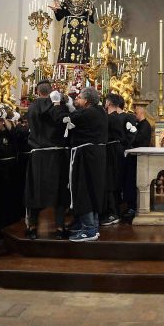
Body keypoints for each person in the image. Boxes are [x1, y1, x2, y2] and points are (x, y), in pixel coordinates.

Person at [24, 81, 70, 239]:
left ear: (37, 92)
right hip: (57, 154)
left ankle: (32, 227)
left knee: (35, 190)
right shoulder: (58, 106)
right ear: (51, 92)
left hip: (38, 154)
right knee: (59, 190)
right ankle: (60, 228)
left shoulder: (31, 107)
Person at [65, 86, 107, 241]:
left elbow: (70, 117)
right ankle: (93, 226)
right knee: (92, 189)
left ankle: (89, 229)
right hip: (95, 154)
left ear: (87, 100)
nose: (77, 100)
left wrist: (65, 106)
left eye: (80, 98)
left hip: (86, 154)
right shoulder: (100, 111)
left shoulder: (88, 113)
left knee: (84, 190)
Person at [101, 93, 136, 226]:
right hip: (112, 150)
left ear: (109, 103)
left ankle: (115, 212)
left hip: (118, 152)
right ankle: (113, 210)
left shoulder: (124, 117)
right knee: (111, 182)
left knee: (114, 182)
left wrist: (124, 146)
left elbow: (130, 134)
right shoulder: (111, 116)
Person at [51, 0, 94, 64]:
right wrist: (56, 10)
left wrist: (90, 12)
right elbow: (61, 12)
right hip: (69, 27)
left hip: (81, 27)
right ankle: (66, 65)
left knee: (80, 46)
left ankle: (81, 66)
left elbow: (91, 11)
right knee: (67, 46)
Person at [122, 105, 152, 223]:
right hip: (133, 158)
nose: (134, 115)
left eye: (136, 113)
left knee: (134, 182)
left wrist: (132, 133)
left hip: (139, 159)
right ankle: (131, 206)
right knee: (130, 182)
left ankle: (134, 207)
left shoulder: (145, 125)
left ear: (141, 113)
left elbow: (139, 140)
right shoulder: (139, 124)